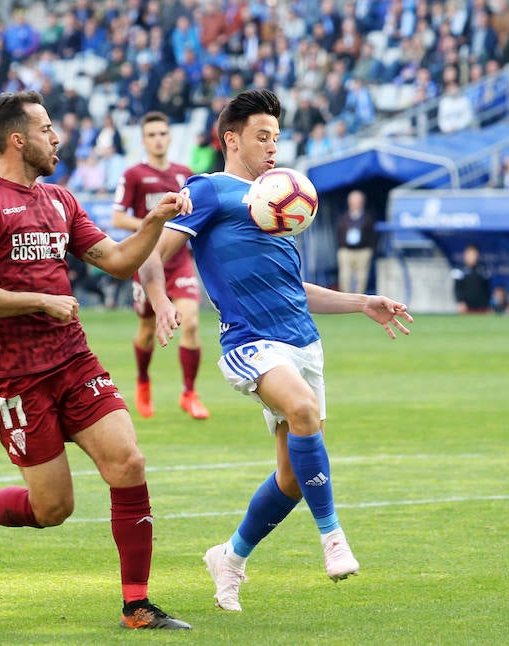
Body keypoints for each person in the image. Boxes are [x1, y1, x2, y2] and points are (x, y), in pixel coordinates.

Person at [137, 89, 414, 612]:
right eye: (262, 137)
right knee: (303, 410)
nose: (272, 147)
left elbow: (294, 290)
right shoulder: (210, 190)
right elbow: (151, 255)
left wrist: (362, 303)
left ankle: (230, 557)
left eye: (276, 138)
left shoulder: (279, 203)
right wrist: (160, 299)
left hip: (304, 344)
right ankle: (333, 538)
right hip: (249, 343)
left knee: (291, 479)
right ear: (231, 139)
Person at [0, 91, 191, 631]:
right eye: (47, 129)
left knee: (129, 462)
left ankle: (137, 606)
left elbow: (117, 260)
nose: (58, 138)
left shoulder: (61, 200)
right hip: (15, 378)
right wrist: (40, 301)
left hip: (74, 360)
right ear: (17, 140)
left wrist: (153, 221)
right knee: (52, 509)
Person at [111, 111, 209, 420]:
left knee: (191, 323)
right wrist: (153, 223)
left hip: (178, 259)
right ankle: (143, 381)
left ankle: (189, 393)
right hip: (146, 261)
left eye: (162, 134)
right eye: (151, 135)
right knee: (146, 329)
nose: (158, 139)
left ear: (170, 137)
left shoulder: (184, 174)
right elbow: (117, 218)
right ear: (144, 141)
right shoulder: (134, 175)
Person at [335, 190, 377, 293]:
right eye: (353, 200)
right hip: (346, 250)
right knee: (345, 275)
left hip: (363, 250)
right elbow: (338, 232)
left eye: (357, 200)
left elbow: (373, 234)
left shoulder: (368, 217)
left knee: (362, 276)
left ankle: (359, 297)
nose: (355, 203)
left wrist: (370, 248)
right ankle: (345, 297)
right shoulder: (343, 217)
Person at [451, 244, 492, 313]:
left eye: (474, 254)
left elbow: (487, 288)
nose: (472, 257)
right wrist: (460, 301)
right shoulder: (459, 270)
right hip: (466, 306)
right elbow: (457, 288)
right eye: (470, 254)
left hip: (482, 306)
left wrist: (488, 303)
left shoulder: (483, 269)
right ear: (465, 255)